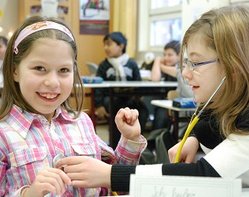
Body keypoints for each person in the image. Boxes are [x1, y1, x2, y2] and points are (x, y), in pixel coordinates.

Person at [57, 5, 249, 192]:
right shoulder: (228, 97)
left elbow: (204, 175)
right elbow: (210, 119)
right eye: (185, 63)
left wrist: (109, 175)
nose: (186, 73)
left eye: (196, 63)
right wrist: (194, 137)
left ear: (235, 67)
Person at [0, 16, 147, 196]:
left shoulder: (82, 122)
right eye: (39, 68)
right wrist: (30, 193)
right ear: (15, 70)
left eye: (64, 70)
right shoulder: (3, 134)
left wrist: (129, 139)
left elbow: (116, 183)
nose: (53, 82)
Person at [94, 31, 148, 148]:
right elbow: (98, 88)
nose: (106, 48)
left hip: (130, 99)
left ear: (121, 46)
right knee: (117, 108)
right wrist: (99, 105)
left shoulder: (132, 64)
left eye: (109, 44)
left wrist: (137, 97)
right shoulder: (104, 65)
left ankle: (137, 143)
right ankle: (115, 145)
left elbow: (138, 83)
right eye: (105, 45)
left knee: (143, 110)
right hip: (111, 99)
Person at [150, 40, 179, 130]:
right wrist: (157, 61)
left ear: (179, 55)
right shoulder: (165, 66)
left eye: (170, 55)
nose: (166, 58)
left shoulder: (182, 66)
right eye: (164, 55)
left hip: (178, 102)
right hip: (164, 102)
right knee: (159, 112)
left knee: (161, 114)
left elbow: (177, 72)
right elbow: (155, 79)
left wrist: (159, 64)